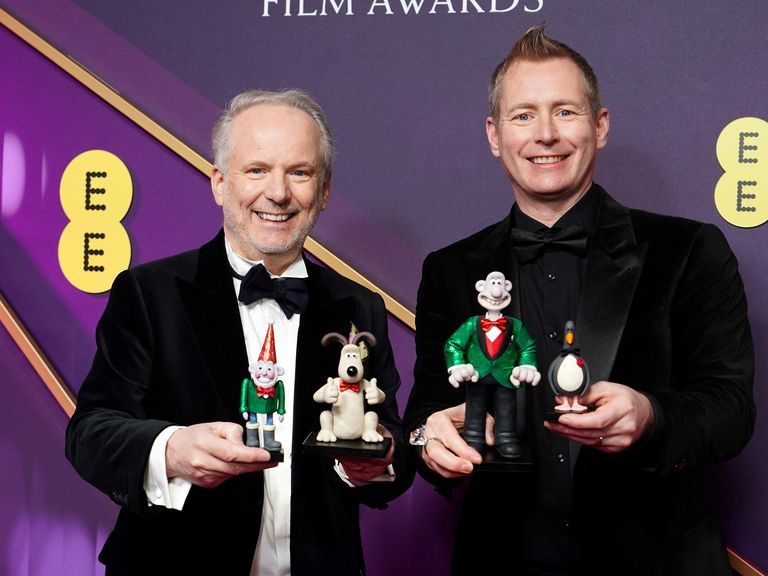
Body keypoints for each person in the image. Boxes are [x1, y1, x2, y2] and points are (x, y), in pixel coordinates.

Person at [403, 25, 755, 576]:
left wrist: (650, 415)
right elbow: (425, 412)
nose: (545, 134)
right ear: (495, 135)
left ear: (600, 125)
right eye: (523, 116)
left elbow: (732, 410)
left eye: (565, 111)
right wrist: (429, 441)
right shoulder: (449, 270)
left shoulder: (688, 250)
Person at [65, 88, 411, 576]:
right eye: (257, 170)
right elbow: (90, 432)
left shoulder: (359, 307)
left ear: (325, 191)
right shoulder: (149, 293)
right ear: (220, 183)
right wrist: (172, 450)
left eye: (300, 172)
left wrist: (378, 461)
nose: (278, 192)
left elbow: (389, 438)